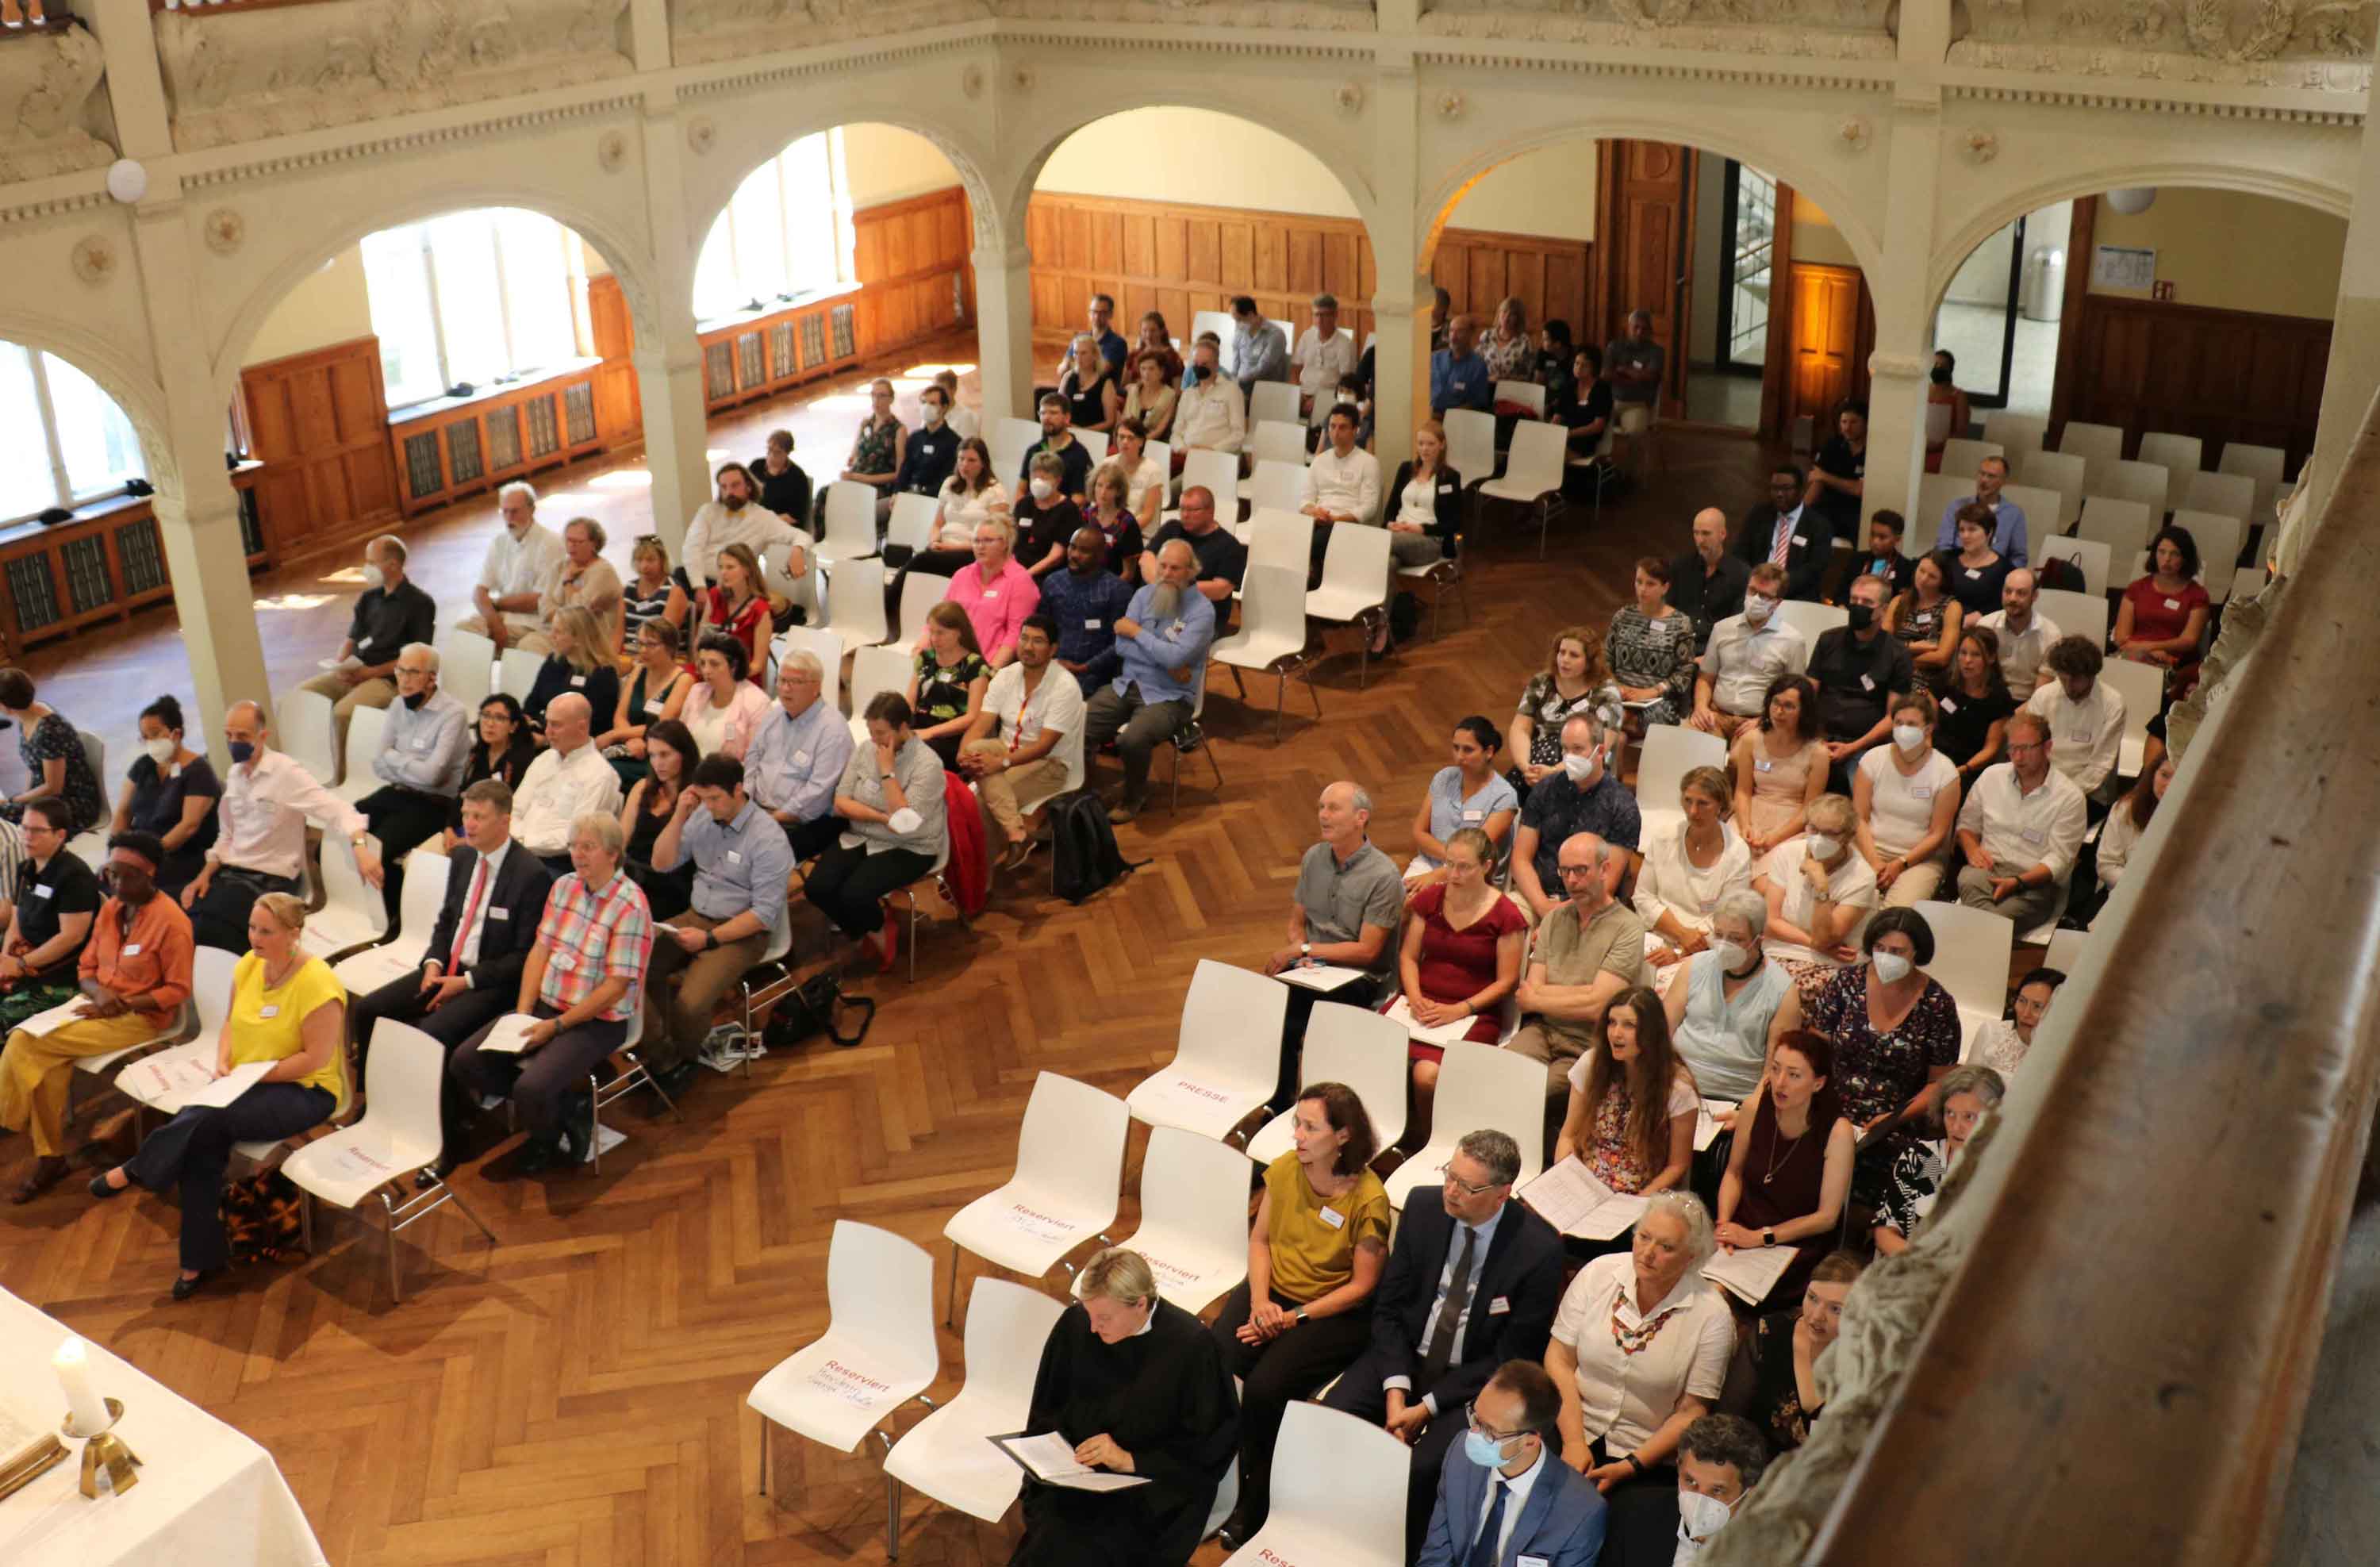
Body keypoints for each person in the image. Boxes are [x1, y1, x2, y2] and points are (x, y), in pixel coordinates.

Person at [1322, 1129, 1567, 1555]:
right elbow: (1389, 1309)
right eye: (1450, 1175)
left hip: (1471, 1380)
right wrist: (1396, 1391)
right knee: (1332, 1419)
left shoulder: (1537, 1250)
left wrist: (1426, 1407)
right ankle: (1328, 1532)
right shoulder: (1422, 1206)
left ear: (1502, 1194)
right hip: (1404, 1356)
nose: (1450, 1191)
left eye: (1467, 1187)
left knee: (1422, 1470)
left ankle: (1396, 1554)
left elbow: (1509, 1357)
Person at [86, 890, 338, 1303]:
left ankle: (137, 1169)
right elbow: (230, 1025)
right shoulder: (248, 965)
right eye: (252, 928)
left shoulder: (318, 983)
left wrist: (258, 1075)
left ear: (294, 933)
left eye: (266, 931)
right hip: (246, 1079)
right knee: (202, 1137)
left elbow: (315, 1059)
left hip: (304, 1089)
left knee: (207, 1118)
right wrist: (223, 1061)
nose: (254, 937)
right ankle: (199, 1260)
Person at [347, 779, 555, 1181]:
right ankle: (378, 1103)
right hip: (446, 967)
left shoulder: (530, 875)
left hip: (491, 983)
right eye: (465, 815)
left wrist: (467, 981)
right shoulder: (462, 858)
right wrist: (432, 963)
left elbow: (523, 957)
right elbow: (446, 922)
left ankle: (448, 1140)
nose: (469, 825)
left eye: (479, 817)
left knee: (432, 1035)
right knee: (370, 1010)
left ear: (504, 821)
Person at [1210, 1081, 1389, 1547]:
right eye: (1297, 1124)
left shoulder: (1368, 1200)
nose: (1298, 1135)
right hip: (1272, 1294)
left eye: (1311, 1128)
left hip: (1331, 1312)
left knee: (1266, 1390)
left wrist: (1291, 1319)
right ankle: (1213, 1476)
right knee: (1214, 1360)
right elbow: (1260, 1241)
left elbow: (1362, 1286)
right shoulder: (1286, 1169)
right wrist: (1260, 1303)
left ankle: (1256, 1502)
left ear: (1343, 1136)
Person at [448, 812, 653, 1176]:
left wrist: (556, 1027)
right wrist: (523, 1013)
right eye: (573, 846)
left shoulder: (631, 905)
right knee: (466, 1062)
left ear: (612, 853)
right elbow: (540, 950)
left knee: (532, 1088)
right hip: (546, 1005)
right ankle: (566, 1107)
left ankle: (545, 1136)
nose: (577, 854)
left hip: (597, 1020)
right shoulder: (564, 887)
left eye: (588, 847)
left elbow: (614, 988)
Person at [1008, 1247, 1237, 1567]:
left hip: (1150, 1489)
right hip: (1075, 1476)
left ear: (1140, 1304)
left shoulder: (1192, 1347)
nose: (1092, 1328)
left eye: (1104, 1318)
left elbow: (1210, 1446)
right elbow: (1048, 1408)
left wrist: (1129, 1460)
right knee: (1053, 1534)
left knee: (1082, 1544)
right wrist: (1060, 1455)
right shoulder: (1076, 1324)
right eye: (1088, 1313)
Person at [0, 832, 190, 1202]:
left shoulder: (172, 923)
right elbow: (86, 966)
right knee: (45, 1062)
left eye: (124, 875)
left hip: (140, 1018)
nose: (115, 883)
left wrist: (125, 1002)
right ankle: (50, 1158)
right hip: (93, 1003)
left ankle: (9, 1120)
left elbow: (178, 990)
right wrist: (99, 993)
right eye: (110, 873)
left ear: (149, 873)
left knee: (25, 1042)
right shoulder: (111, 909)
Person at [1545, 1191, 1731, 1562]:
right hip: (1571, 1424)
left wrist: (1630, 1466)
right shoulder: (1598, 1274)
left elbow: (1692, 1411)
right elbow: (1559, 1359)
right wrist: (1574, 1441)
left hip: (1646, 1455)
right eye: (1644, 1237)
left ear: (1691, 1258)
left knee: (1621, 1543)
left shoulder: (1712, 1316)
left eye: (1666, 1247)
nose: (1648, 1253)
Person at [182, 701, 380, 953]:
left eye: (242, 736)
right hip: (232, 873)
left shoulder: (285, 773)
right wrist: (204, 874)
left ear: (262, 736)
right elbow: (227, 835)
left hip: (271, 879)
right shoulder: (235, 774)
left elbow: (338, 809)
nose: (233, 743)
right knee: (190, 920)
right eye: (229, 735)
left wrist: (360, 848)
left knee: (214, 930)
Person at [642, 754, 792, 1084]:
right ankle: (665, 1055)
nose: (708, 806)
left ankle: (683, 1060)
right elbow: (661, 863)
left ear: (738, 790)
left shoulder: (768, 839)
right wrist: (679, 815)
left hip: (742, 931)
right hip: (695, 916)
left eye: (714, 799)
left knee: (690, 1005)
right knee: (635, 968)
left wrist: (709, 940)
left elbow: (763, 915)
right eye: (703, 798)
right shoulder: (701, 816)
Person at [1802, 910, 1960, 1194]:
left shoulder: (1938, 1005)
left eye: (1897, 951)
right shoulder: (1846, 983)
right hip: (1832, 1106)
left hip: (1896, 1119)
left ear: (1917, 953)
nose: (1886, 957)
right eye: (1880, 948)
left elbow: (1940, 1083)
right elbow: (1814, 1050)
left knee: (1906, 1178)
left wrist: (1894, 1118)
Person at [1394, 828, 1526, 1139]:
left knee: (1427, 1075)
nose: (1453, 874)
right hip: (1421, 1003)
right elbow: (1409, 957)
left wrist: (1460, 1009)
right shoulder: (1431, 899)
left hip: (1473, 1013)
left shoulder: (1505, 915)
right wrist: (1414, 996)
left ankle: (1428, 1140)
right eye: (1450, 864)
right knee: (1372, 1053)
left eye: (1464, 867)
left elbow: (1507, 981)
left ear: (1486, 866)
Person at [1414, 1359, 1609, 1567]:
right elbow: (1436, 1558)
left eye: (1489, 1430)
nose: (1473, 1433)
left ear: (1530, 1442)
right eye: (1475, 1416)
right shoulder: (1460, 1454)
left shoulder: (1581, 1513)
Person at [1713, 1028, 1855, 1307]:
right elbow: (1733, 1173)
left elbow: (1826, 1217)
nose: (1780, 1083)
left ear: (1818, 1083)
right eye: (1776, 1069)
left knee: (1722, 1298)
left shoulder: (1837, 1131)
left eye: (1794, 1075)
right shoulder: (1754, 1108)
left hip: (1794, 1244)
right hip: (1743, 1230)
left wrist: (1760, 1238)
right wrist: (1724, 1223)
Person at [806, 693, 946, 970]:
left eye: (881, 733)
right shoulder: (864, 750)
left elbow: (905, 823)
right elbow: (841, 802)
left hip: (910, 846)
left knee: (854, 893)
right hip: (861, 835)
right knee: (817, 887)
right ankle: (870, 928)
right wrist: (882, 817)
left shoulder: (928, 764)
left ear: (903, 728)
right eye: (871, 732)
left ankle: (874, 928)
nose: (874, 740)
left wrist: (887, 772)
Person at [1081, 540, 1215, 824]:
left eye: (1175, 568)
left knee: (1132, 739)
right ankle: (1081, 792)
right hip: (1128, 684)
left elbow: (1171, 655)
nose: (1165, 573)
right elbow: (1121, 647)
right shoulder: (1143, 595)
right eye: (1162, 566)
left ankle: (1134, 797)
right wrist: (1168, 661)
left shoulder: (1202, 612)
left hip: (1171, 696)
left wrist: (1137, 633)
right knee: (1078, 723)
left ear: (1191, 572)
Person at [1510, 832, 1647, 1108]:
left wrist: (1539, 999)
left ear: (1605, 869)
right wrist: (1583, 993)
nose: (1572, 880)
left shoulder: (1628, 927)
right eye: (1565, 871)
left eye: (1581, 870)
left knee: (1531, 1095)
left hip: (1589, 1043)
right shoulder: (1554, 919)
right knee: (1498, 1075)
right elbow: (1529, 991)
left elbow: (1599, 1006)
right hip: (1543, 1031)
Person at [1263, 781, 1403, 1012]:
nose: (1323, 815)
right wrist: (1301, 952)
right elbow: (1297, 922)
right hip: (1311, 964)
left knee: (1298, 1010)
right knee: (1267, 1002)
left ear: (1361, 817)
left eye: (1333, 808)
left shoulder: (1384, 875)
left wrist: (1305, 950)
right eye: (1321, 807)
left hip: (1357, 976)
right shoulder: (1313, 858)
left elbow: (1367, 951)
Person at [959, 614, 1083, 870]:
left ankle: (981, 880)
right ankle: (1017, 836)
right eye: (1024, 638)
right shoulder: (1006, 675)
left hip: (1048, 763)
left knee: (982, 803)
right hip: (1005, 750)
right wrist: (963, 753)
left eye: (1038, 641)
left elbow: (1045, 745)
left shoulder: (1065, 687)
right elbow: (981, 724)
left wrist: (1002, 763)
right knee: (973, 748)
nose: (1028, 647)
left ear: (1053, 649)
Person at [354, 643, 470, 916]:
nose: (404, 680)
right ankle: (362, 905)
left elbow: (433, 776)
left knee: (379, 849)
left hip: (434, 804)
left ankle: (392, 916)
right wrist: (411, 765)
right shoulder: (398, 704)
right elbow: (378, 763)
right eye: (400, 671)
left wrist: (394, 757)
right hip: (397, 791)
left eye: (413, 673)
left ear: (432, 678)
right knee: (344, 828)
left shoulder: (453, 714)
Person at [1553, 985, 1698, 1198]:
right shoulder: (1591, 1064)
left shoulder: (1677, 1088)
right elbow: (1568, 1136)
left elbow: (1678, 1165)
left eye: (1629, 1025)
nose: (1616, 1034)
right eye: (1612, 1022)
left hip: (1639, 1194)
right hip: (1585, 1185)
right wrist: (1567, 1180)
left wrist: (1639, 1201)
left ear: (1651, 1032)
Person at [1663, 890, 1802, 1106]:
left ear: (1759, 940)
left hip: (1737, 1100)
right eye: (1719, 935)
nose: (1724, 945)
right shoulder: (1693, 967)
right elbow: (1659, 1034)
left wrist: (1749, 1111)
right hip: (1676, 1090)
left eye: (1736, 939)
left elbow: (1775, 1071)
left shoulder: (1783, 991)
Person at [1954, 709, 2088, 929]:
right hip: (1988, 871)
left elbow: (2060, 860)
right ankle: (1988, 930)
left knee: (1992, 922)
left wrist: (2017, 883)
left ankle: (1982, 929)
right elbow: (1967, 826)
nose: (2017, 757)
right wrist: (1972, 849)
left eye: (2025, 749)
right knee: (1968, 879)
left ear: (2047, 747)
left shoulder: (2070, 797)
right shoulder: (1992, 777)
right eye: (2012, 749)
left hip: (2034, 882)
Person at [295, 534, 436, 741]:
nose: (365, 568)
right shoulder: (369, 598)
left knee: (342, 714)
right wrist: (341, 665)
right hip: (356, 670)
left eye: (371, 563)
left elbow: (418, 659)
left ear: (393, 565)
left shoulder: (420, 603)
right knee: (302, 695)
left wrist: (369, 673)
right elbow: (351, 638)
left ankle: (343, 762)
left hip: (388, 680)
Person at [1726, 1254, 1864, 1460]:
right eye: (1812, 1298)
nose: (1817, 1316)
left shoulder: (1873, 1362)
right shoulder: (1769, 1333)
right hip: (1757, 1472)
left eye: (1836, 1309)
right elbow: (1728, 1422)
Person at [1752, 793, 1878, 1008]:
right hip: (1780, 950)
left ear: (1848, 837)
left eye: (1829, 833)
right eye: (1814, 829)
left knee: (1785, 997)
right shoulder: (1787, 853)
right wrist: (1813, 943)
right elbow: (1770, 923)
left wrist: (1821, 886)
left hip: (1830, 963)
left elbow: (1823, 939)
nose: (1818, 838)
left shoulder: (1862, 877)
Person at [1511, 714, 1641, 924]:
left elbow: (1607, 883)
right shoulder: (1544, 790)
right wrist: (1543, 906)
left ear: (1600, 752)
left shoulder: (1622, 805)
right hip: (1537, 896)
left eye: (1578, 749)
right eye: (1565, 749)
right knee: (1507, 920)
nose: (1569, 757)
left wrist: (1558, 916)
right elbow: (1521, 859)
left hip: (1593, 904)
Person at [1634, 767, 1752, 980]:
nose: (1693, 811)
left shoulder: (1738, 852)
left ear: (1721, 806)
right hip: (1657, 934)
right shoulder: (1664, 837)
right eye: (1688, 801)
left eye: (1703, 803)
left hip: (1709, 946)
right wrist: (1681, 934)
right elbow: (1643, 897)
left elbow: (1729, 916)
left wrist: (1681, 951)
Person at [1872, 1065, 2003, 1257]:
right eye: (1950, 1113)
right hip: (1906, 1266)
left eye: (1969, 1117)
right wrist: (1920, 1263)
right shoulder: (1921, 1157)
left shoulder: (2001, 1173)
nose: (1956, 1127)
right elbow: (1885, 1231)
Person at [1854, 688, 1962, 907]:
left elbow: (1938, 834)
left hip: (1919, 860)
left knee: (1897, 911)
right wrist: (1874, 861)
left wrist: (1900, 864)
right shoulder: (1873, 759)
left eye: (1911, 724)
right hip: (1869, 849)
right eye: (1899, 723)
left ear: (1928, 729)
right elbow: (1859, 818)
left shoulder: (1945, 772)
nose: (1903, 729)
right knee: (1850, 899)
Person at [743, 650, 854, 864]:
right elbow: (752, 759)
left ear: (816, 687)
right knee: (708, 836)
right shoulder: (775, 715)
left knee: (747, 859)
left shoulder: (833, 730)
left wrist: (773, 819)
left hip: (802, 821)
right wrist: (746, 799)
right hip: (758, 810)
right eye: (782, 680)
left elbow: (819, 793)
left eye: (795, 682)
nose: (785, 688)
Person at [111, 693, 220, 897]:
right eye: (144, 737)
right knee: (103, 881)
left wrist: (149, 855)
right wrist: (117, 849)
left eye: (154, 734)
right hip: (140, 849)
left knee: (131, 887)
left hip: (180, 855)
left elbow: (188, 826)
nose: (149, 741)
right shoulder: (143, 765)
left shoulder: (199, 772)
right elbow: (123, 813)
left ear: (175, 734)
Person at [1809, 573, 1914, 783]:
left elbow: (1893, 716)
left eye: (1867, 602)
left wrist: (1852, 747)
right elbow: (1807, 693)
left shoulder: (1898, 654)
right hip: (1817, 739)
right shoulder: (1828, 640)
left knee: (1865, 795)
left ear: (1883, 610)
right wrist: (1814, 739)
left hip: (1864, 748)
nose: (1858, 606)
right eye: (1854, 600)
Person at [509, 693, 624, 875]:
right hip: (519, 852)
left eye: (556, 725)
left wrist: (523, 841)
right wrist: (515, 839)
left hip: (560, 866)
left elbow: (579, 837)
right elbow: (514, 809)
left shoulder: (601, 775)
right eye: (547, 723)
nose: (548, 732)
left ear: (582, 727)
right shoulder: (544, 759)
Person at [1688, 564, 1806, 741]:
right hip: (1716, 716)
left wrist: (1765, 720)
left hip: (1757, 722)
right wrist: (1700, 707)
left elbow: (1795, 696)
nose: (1755, 599)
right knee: (1689, 742)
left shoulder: (1793, 641)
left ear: (1777, 602)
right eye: (1752, 591)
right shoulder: (1722, 628)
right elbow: (1706, 678)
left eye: (1764, 596)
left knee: (1742, 752)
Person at [1507, 627, 1624, 801]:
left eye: (1574, 655)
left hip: (1582, 768)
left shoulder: (1607, 693)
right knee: (1506, 796)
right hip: (1537, 764)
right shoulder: (1542, 682)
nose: (1565, 660)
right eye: (1562, 653)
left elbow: (1599, 746)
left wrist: (1553, 771)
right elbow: (1520, 728)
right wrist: (1525, 767)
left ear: (1590, 662)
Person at [1405, 716, 1518, 885]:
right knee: (1401, 896)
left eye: (1468, 750)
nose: (1459, 757)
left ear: (1489, 752)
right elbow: (1419, 832)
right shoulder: (1444, 778)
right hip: (1430, 863)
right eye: (1456, 748)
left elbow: (1478, 854)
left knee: (1421, 898)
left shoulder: (1504, 796)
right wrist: (1448, 859)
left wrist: (1437, 875)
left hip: (1474, 875)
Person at [1729, 673, 1827, 859]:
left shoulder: (1818, 753)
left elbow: (1809, 808)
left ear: (1804, 711)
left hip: (1793, 823)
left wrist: (1775, 838)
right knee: (1731, 856)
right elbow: (1742, 791)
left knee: (1775, 866)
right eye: (1775, 703)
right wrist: (1745, 827)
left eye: (1789, 706)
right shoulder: (1751, 740)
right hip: (1751, 813)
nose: (1779, 711)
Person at [456, 481, 565, 648]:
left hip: (533, 623)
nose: (509, 518)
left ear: (532, 510)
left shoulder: (551, 543)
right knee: (462, 630)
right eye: (505, 511)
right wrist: (494, 623)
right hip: (500, 618)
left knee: (528, 646)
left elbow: (539, 600)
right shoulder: (499, 542)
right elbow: (479, 592)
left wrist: (496, 603)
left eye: (514, 511)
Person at [597, 616, 696, 787]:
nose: (643, 650)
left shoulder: (683, 679)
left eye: (651, 645)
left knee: (607, 771)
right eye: (640, 644)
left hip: (658, 753)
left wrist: (615, 735)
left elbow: (662, 724)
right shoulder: (639, 670)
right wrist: (630, 741)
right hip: (630, 747)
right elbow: (620, 716)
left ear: (670, 647)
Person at [2025, 635, 2125, 802]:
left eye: (2076, 680)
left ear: (2092, 675)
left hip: (2087, 792)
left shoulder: (2113, 704)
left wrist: (2061, 795)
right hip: (2042, 784)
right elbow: (2031, 749)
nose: (2068, 687)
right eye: (2063, 679)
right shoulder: (2043, 696)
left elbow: (2100, 765)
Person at [2113, 524, 2213, 692]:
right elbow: (2121, 638)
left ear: (2185, 559)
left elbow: (2188, 641)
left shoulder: (2197, 595)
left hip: (2174, 662)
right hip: (2134, 655)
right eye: (2162, 552)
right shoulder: (2136, 588)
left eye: (2175, 554)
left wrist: (2149, 648)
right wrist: (2151, 651)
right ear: (2154, 554)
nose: (2167, 559)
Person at [682, 463, 807, 595]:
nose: (729, 492)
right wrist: (699, 586)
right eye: (724, 487)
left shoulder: (763, 518)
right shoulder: (708, 511)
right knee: (676, 584)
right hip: (697, 580)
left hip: (735, 587)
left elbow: (802, 536)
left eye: (735, 485)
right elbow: (691, 548)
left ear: (748, 486)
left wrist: (797, 550)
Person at [0, 670, 100, 833]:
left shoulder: (49, 730)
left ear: (6, 707)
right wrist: (21, 799)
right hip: (48, 796)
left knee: (4, 819)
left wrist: (14, 800)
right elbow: (34, 769)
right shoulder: (28, 715)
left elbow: (53, 788)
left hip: (73, 803)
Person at [1608, 557, 1699, 729]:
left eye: (1650, 584)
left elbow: (1684, 673)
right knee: (1612, 723)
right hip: (1621, 695)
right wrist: (1618, 687)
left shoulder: (1680, 623)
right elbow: (1606, 661)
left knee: (1618, 720)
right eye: (1639, 582)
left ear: (1665, 588)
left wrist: (1652, 691)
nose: (1643, 589)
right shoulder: (1623, 616)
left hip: (1658, 701)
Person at [1043, 528, 1137, 696]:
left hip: (1096, 676)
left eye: (1084, 551)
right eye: (1072, 547)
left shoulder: (1118, 590)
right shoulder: (1053, 582)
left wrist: (1084, 668)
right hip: (1051, 667)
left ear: (1101, 555)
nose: (1074, 555)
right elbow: (1042, 629)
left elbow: (1121, 643)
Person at [620, 720, 698, 920]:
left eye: (665, 755)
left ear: (684, 754)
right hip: (631, 877)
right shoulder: (642, 788)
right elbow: (621, 841)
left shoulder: (696, 798)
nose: (657, 763)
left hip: (669, 884)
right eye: (652, 755)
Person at [910, 436, 1009, 586]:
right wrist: (934, 541)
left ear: (983, 463)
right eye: (961, 459)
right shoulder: (950, 483)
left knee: (920, 561)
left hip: (972, 551)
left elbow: (994, 538)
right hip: (943, 546)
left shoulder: (995, 491)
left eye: (971, 460)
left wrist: (951, 547)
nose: (965, 465)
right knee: (920, 567)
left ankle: (889, 597)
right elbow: (937, 524)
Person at [906, 601, 992, 772]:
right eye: (931, 632)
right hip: (919, 726)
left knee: (912, 757)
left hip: (950, 736)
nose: (934, 638)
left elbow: (972, 716)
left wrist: (930, 732)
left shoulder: (975, 666)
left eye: (941, 633)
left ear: (959, 632)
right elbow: (910, 700)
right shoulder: (925, 658)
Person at [1672, 1413, 1769, 1562]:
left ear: (1750, 1495)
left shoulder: (1774, 1556)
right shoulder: (1639, 1517)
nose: (1699, 1506)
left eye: (1717, 1491)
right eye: (1691, 1482)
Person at [946, 517, 1042, 668]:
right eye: (976, 541)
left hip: (989, 665)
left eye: (988, 540)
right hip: (950, 660)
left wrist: (990, 672)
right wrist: (920, 650)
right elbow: (942, 619)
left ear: (1004, 544)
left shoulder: (1020, 581)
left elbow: (1016, 634)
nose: (980, 546)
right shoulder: (962, 575)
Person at [1137, 485, 1247, 613]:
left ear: (1210, 511)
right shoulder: (1171, 528)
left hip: (1197, 612)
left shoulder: (1230, 546)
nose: (1185, 515)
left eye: (1192, 510)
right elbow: (1146, 558)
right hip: (1156, 605)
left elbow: (1220, 590)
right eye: (1182, 509)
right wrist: (1162, 586)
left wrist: (1174, 588)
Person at [1732, 463, 1833, 602]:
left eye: (1786, 489)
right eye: (1775, 488)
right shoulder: (1758, 515)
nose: (1779, 494)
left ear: (1801, 491)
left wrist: (1779, 586)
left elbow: (1815, 569)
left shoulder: (1818, 525)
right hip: (1756, 591)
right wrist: (1755, 581)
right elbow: (1739, 554)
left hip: (1797, 596)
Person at [524, 517, 624, 655]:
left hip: (586, 641)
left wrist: (568, 583)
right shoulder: (560, 566)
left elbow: (580, 613)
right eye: (569, 540)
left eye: (578, 542)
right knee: (527, 642)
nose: (571, 546)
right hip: (558, 633)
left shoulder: (603, 571)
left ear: (594, 544)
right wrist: (561, 622)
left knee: (531, 644)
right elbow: (544, 604)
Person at [521, 606, 623, 741]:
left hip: (577, 744)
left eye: (558, 632)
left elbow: (595, 726)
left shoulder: (603, 674)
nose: (552, 636)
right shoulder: (553, 662)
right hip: (542, 733)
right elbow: (531, 704)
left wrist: (546, 739)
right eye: (552, 630)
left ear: (578, 638)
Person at [450, 694, 539, 841]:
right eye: (486, 716)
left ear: (513, 726)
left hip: (497, 834)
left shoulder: (522, 760)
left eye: (499, 718)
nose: (490, 723)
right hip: (464, 826)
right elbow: (462, 794)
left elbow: (513, 809)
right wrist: (449, 827)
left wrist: (468, 839)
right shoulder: (476, 754)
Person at [1937, 625, 2016, 787]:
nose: (1967, 661)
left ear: (1991, 658)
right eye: (1963, 653)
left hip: (1969, 770)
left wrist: (1962, 770)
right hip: (1935, 760)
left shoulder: (1999, 697)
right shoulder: (1944, 682)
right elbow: (1926, 727)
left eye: (1976, 655)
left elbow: (1991, 748)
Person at [1301, 402, 1381, 555]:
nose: (1336, 432)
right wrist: (1314, 512)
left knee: (1316, 541)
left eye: (1342, 427)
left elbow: (1369, 507)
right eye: (1332, 426)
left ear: (1355, 430)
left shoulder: (1369, 463)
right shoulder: (1319, 461)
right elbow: (1306, 499)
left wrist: (1337, 519)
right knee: (1288, 533)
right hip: (1318, 520)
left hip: (1348, 524)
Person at [678, 632, 771, 763]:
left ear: (734, 666)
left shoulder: (758, 702)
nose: (706, 670)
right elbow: (680, 738)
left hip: (729, 775)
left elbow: (755, 760)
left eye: (714, 664)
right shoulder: (697, 691)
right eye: (703, 663)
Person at [1384, 418, 1462, 573]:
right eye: (1421, 443)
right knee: (1388, 563)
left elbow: (1454, 523)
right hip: (1398, 533)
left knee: (1378, 542)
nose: (1425, 449)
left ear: (1442, 445)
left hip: (1429, 540)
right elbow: (1391, 508)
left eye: (1431, 444)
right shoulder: (1405, 469)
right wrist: (1389, 524)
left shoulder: (1450, 477)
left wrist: (1421, 529)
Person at [695, 542, 778, 685]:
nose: (723, 572)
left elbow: (757, 665)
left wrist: (724, 676)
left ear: (747, 570)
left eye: (730, 567)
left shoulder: (760, 610)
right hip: (709, 672)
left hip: (741, 678)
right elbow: (699, 641)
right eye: (721, 567)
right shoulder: (715, 596)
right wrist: (702, 666)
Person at [1669, 508, 1750, 654]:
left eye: (1706, 533)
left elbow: (1737, 626)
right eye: (1696, 533)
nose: (1700, 540)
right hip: (1678, 647)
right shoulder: (1680, 567)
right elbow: (1668, 610)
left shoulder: (1741, 574)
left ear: (1723, 534)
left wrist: (1710, 656)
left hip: (1717, 651)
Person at [1975, 567, 2060, 701]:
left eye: (2021, 593)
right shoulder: (1986, 625)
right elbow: (1977, 677)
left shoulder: (2051, 635)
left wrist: (2014, 714)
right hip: (1989, 698)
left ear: (2035, 596)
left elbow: (2040, 696)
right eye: (2008, 591)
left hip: (2028, 702)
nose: (2012, 598)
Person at [882, 378, 961, 521]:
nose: (926, 407)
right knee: (871, 512)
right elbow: (905, 469)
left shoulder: (953, 442)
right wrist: (896, 493)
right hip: (908, 494)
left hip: (932, 500)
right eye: (924, 403)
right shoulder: (915, 438)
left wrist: (919, 494)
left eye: (932, 403)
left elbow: (947, 479)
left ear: (944, 408)